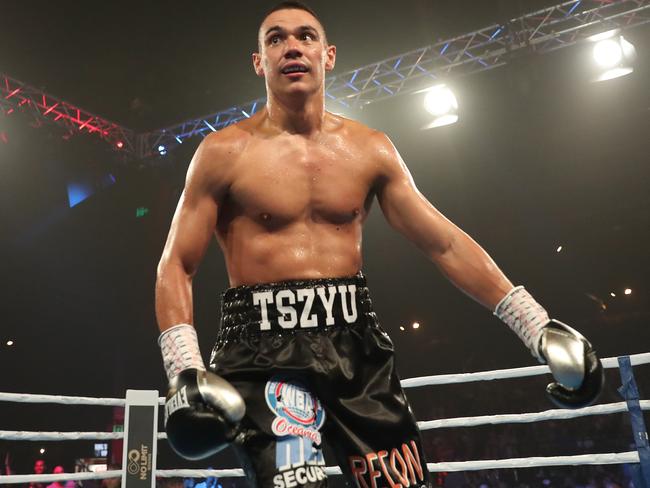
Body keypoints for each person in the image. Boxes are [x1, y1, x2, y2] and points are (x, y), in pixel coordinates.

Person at [155, 2, 604, 487]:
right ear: (259, 62)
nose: (291, 47)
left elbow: (444, 243)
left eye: (305, 36)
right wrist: (184, 371)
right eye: (275, 39)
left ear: (327, 56)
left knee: (401, 483)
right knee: (295, 481)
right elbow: (176, 264)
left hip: (356, 349)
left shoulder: (370, 148)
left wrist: (537, 326)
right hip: (264, 355)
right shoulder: (223, 152)